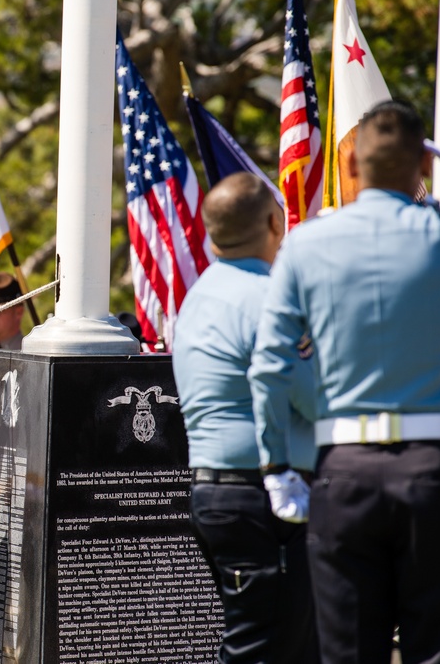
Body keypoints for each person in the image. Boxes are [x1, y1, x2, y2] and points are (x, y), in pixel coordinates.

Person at [250, 100, 440, 663]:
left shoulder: (307, 244)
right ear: (420, 169)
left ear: (354, 168)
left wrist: (276, 466)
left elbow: (270, 365)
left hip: (342, 471)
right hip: (435, 469)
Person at [172, 172, 319, 663]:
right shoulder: (269, 299)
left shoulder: (198, 297)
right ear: (277, 222)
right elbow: (313, 397)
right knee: (266, 647)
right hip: (266, 497)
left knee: (271, 641)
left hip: (218, 493)